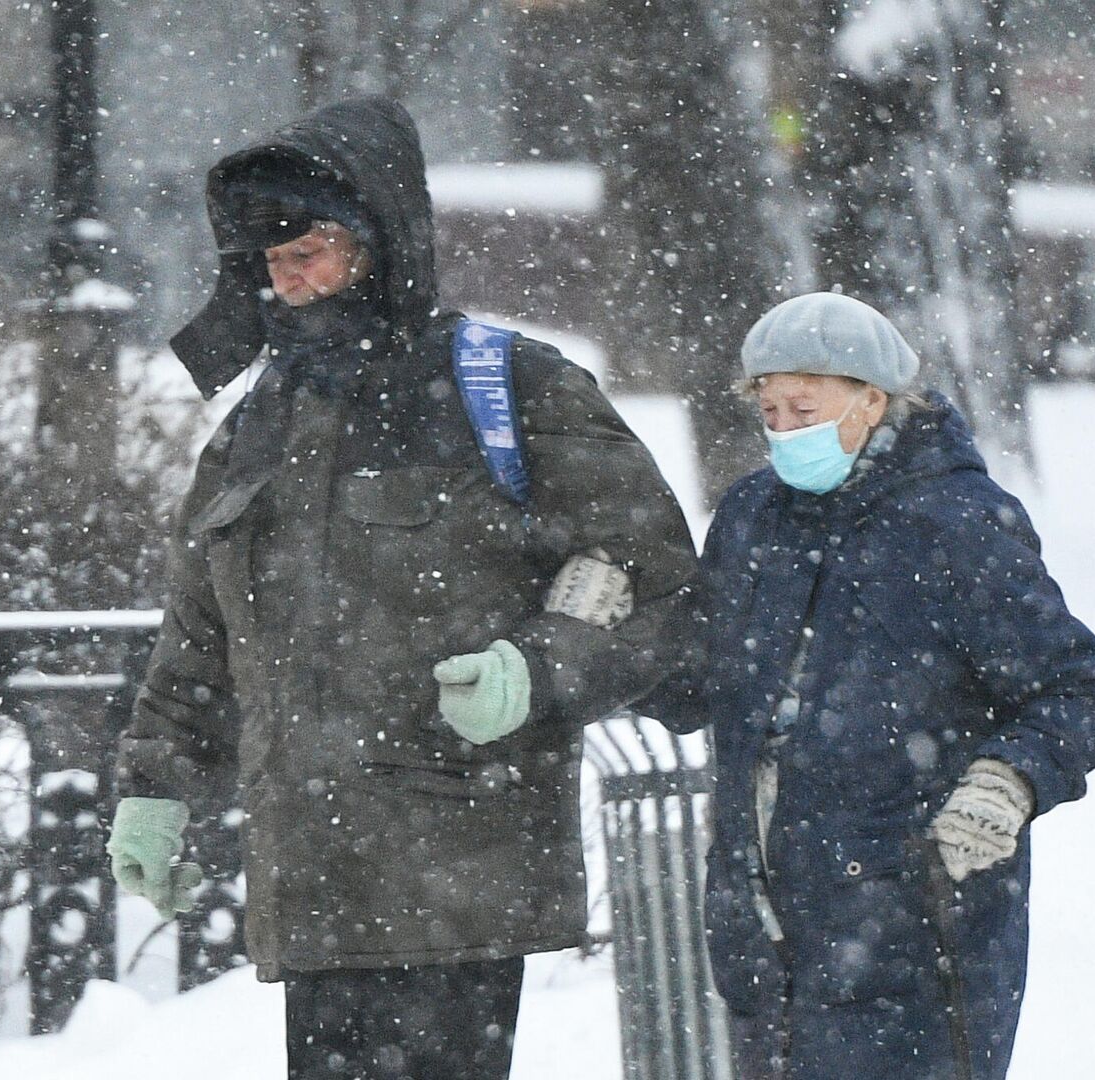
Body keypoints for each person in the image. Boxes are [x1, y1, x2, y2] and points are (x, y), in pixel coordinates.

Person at [105, 95, 698, 1080]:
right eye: (273, 266)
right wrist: (158, 788)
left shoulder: (508, 386)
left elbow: (656, 582)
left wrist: (537, 669)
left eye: (314, 255)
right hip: (314, 885)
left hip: (460, 872)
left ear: (381, 243)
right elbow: (201, 632)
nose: (292, 288)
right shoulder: (255, 426)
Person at [643, 292, 1095, 1079]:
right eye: (771, 410)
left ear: (872, 400)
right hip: (765, 938)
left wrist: (1006, 784)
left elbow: (1075, 691)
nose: (786, 430)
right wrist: (616, 646)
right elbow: (698, 684)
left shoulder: (956, 524)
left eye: (806, 407)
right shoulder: (751, 517)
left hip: (915, 934)